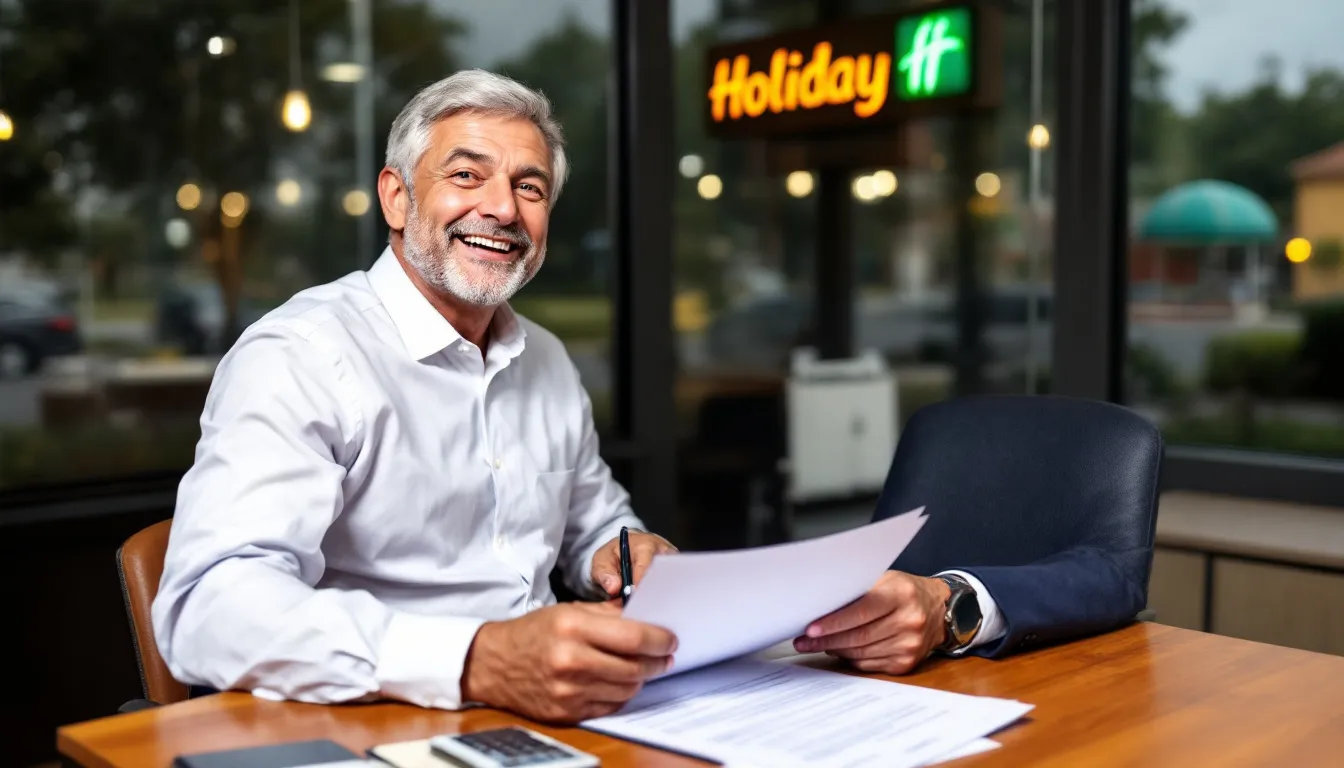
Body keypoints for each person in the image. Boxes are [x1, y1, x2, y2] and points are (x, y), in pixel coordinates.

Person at [152, 69, 678, 724]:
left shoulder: (545, 358)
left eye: (530, 187)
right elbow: (209, 609)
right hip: (372, 721)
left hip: (550, 717)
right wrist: (475, 660)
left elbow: (595, 524)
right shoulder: (300, 356)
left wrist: (625, 552)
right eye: (467, 175)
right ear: (396, 198)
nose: (504, 209)